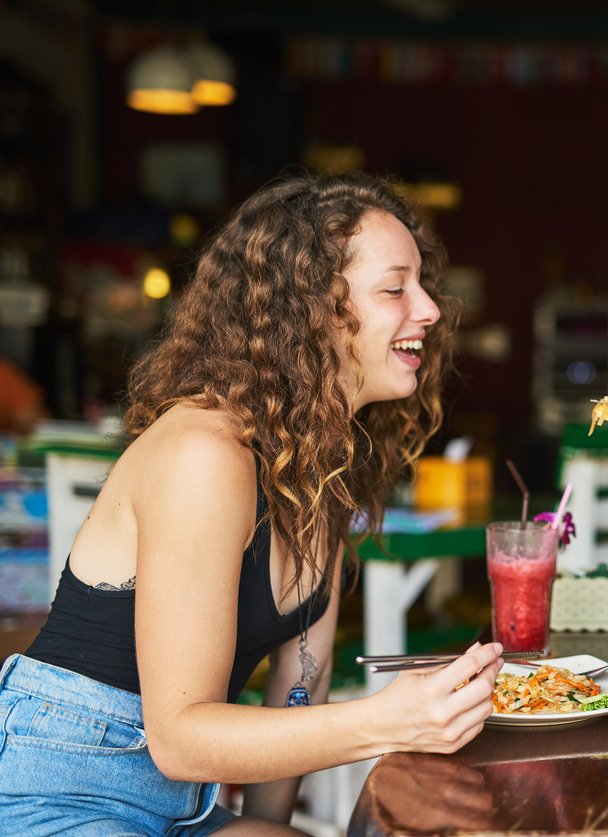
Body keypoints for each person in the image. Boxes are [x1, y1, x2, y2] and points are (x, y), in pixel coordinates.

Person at [0, 171, 505, 835]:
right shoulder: (205, 455)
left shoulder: (319, 467)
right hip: (58, 792)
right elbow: (180, 739)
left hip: (182, 808)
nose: (431, 309)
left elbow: (300, 685)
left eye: (422, 283)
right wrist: (388, 719)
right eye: (394, 287)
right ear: (312, 310)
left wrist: (271, 828)